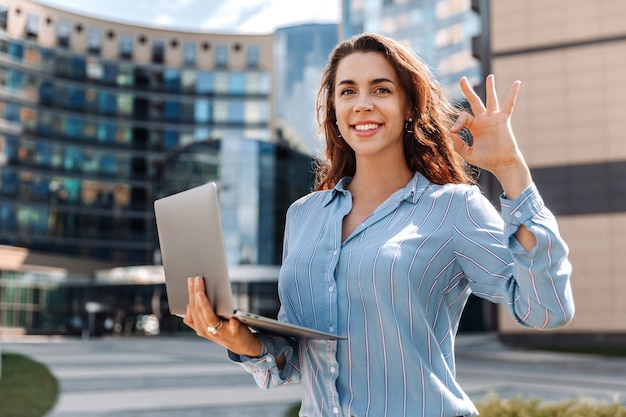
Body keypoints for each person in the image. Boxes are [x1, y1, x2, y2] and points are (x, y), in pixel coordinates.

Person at [183, 33, 575, 417]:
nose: (362, 104)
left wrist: (511, 170)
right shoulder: (304, 214)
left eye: (381, 89)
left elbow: (547, 309)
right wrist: (238, 339)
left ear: (409, 107)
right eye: (348, 91)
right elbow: (300, 358)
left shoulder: (454, 207)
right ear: (334, 109)